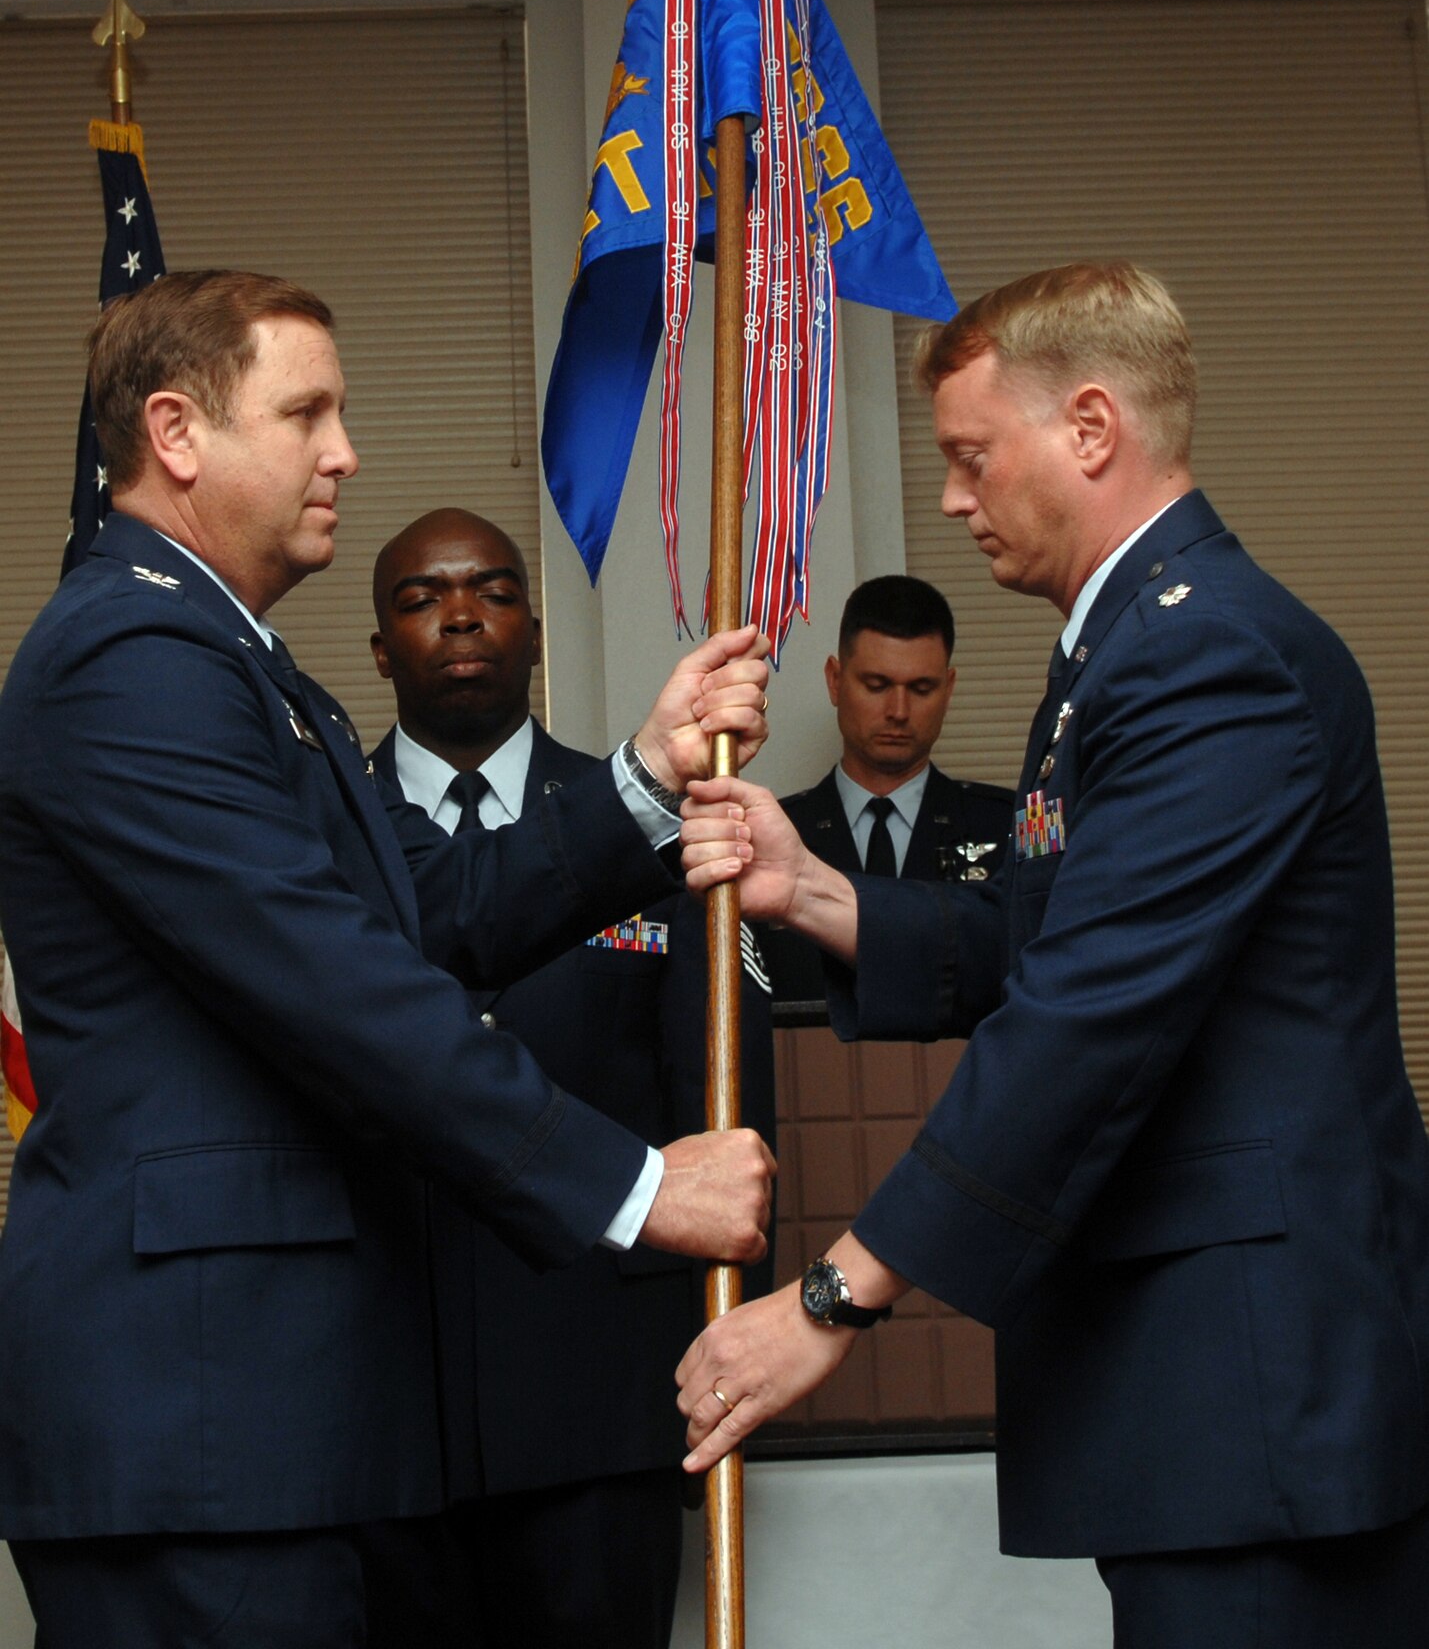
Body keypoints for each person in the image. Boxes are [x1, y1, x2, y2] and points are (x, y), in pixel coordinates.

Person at [0, 270, 775, 1649]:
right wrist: (637, 1185)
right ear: (176, 434)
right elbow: (336, 987)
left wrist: (646, 782)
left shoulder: (239, 663)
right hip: (204, 1418)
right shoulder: (129, 652)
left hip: (276, 1420)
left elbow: (413, 909)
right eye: (305, 412)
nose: (345, 450)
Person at [677, 261, 1429, 1647]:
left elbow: (1089, 1015)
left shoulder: (1208, 662)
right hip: (1197, 1379)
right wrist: (821, 896)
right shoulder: (1128, 650)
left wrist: (835, 1297)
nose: (954, 499)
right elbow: (1058, 940)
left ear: (1090, 429)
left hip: (1253, 1378)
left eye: (971, 458)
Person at [366, 506, 774, 1649]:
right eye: (421, 595)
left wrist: (733, 1373)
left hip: (603, 1412)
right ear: (378, 649)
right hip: (379, 1415)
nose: (459, 613)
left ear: (535, 630)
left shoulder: (651, 824)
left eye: (493, 588)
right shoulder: (320, 843)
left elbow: (727, 1110)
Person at [762, 574, 1011, 1006]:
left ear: (948, 690)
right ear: (835, 681)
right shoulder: (775, 838)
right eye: (876, 686)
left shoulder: (1005, 827)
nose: (898, 711)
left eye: (921, 689)